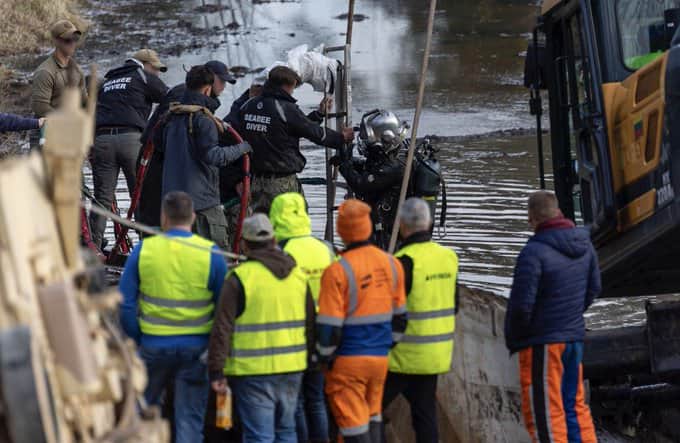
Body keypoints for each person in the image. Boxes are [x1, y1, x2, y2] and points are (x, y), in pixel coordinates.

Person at [118, 191, 228, 443]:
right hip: (197, 350)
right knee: (189, 419)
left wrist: (138, 336)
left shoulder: (144, 250)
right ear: (192, 218)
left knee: (143, 414)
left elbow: (125, 304)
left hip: (153, 346)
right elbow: (223, 308)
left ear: (164, 217)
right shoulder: (210, 253)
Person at [208, 213, 315, 443]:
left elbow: (222, 328)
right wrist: (310, 361)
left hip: (252, 371)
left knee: (259, 435)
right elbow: (310, 324)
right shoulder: (298, 276)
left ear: (244, 245)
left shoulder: (239, 278)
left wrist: (216, 370)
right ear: (274, 240)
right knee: (286, 431)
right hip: (292, 367)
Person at [504, 191, 600, 443]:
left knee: (546, 413)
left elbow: (521, 307)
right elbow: (594, 289)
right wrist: (570, 316)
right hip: (573, 338)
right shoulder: (585, 246)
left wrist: (518, 337)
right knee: (575, 406)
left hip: (544, 343)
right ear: (559, 212)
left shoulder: (533, 252)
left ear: (532, 218)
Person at [316, 199, 407, 443]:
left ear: (341, 230)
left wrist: (324, 358)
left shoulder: (337, 271)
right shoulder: (392, 264)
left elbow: (329, 328)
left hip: (348, 362)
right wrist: (384, 346)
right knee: (373, 415)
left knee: (352, 426)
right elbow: (401, 319)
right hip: (379, 360)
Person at [382, 198, 459, 443]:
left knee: (369, 410)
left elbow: (388, 313)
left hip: (402, 357)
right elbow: (455, 304)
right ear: (430, 223)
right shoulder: (448, 257)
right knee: (425, 415)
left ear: (402, 225)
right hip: (434, 356)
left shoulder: (402, 262)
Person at [158, 65, 251, 249]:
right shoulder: (204, 120)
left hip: (172, 203)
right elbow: (214, 156)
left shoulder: (170, 117)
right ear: (208, 89)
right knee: (217, 254)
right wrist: (242, 148)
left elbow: (158, 146)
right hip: (203, 205)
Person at [238, 65, 354, 212]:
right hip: (281, 183)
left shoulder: (248, 106)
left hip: (254, 182)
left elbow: (291, 126)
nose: (292, 92)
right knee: (293, 223)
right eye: (293, 88)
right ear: (286, 85)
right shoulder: (285, 108)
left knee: (261, 224)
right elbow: (315, 133)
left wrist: (318, 114)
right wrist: (341, 138)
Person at [138, 60, 237, 230]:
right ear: (209, 80)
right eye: (221, 81)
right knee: (159, 217)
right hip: (160, 164)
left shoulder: (196, 101)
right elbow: (158, 135)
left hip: (168, 164)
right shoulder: (184, 97)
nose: (223, 87)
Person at [269, 192, 335, 443]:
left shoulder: (282, 253)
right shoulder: (325, 249)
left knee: (295, 402)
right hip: (323, 334)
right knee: (316, 398)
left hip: (294, 336)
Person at [88, 49, 169, 250]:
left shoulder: (108, 81)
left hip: (102, 141)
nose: (157, 74)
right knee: (140, 195)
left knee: (102, 199)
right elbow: (169, 97)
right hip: (131, 139)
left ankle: (92, 249)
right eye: (155, 69)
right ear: (144, 64)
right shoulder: (142, 75)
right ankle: (148, 248)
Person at [335, 110, 408, 250]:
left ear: (384, 140)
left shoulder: (393, 168)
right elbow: (368, 169)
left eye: (368, 141)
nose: (365, 144)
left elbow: (361, 184)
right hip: (379, 227)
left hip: (387, 235)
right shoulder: (386, 161)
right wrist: (348, 158)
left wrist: (344, 166)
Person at [31, 20, 87, 119]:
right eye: (68, 40)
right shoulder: (45, 72)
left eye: (75, 38)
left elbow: (84, 100)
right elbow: (40, 108)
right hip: (50, 124)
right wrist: (64, 121)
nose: (73, 43)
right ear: (56, 41)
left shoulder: (77, 70)